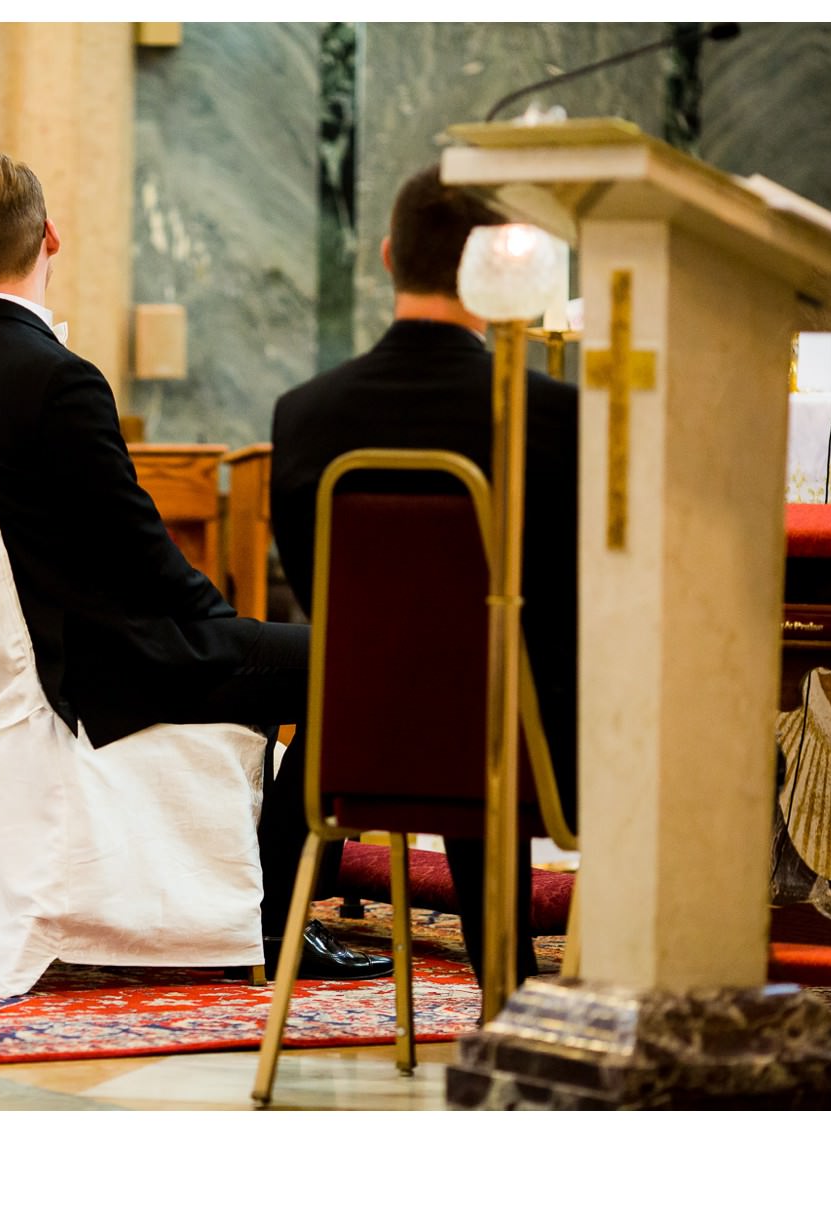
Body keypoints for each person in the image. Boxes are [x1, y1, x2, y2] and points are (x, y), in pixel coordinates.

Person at [0, 151, 390, 981]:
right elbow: (135, 546)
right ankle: (278, 919)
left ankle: (254, 898)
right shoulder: (58, 378)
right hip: (102, 665)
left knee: (271, 656)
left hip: (15, 662)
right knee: (339, 667)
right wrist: (219, 617)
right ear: (52, 236)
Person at [269, 165, 580, 984]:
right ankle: (524, 991)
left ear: (384, 256)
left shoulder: (303, 414)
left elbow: (317, 593)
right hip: (534, 760)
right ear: (497, 268)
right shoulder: (554, 417)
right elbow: (575, 607)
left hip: (365, 746)